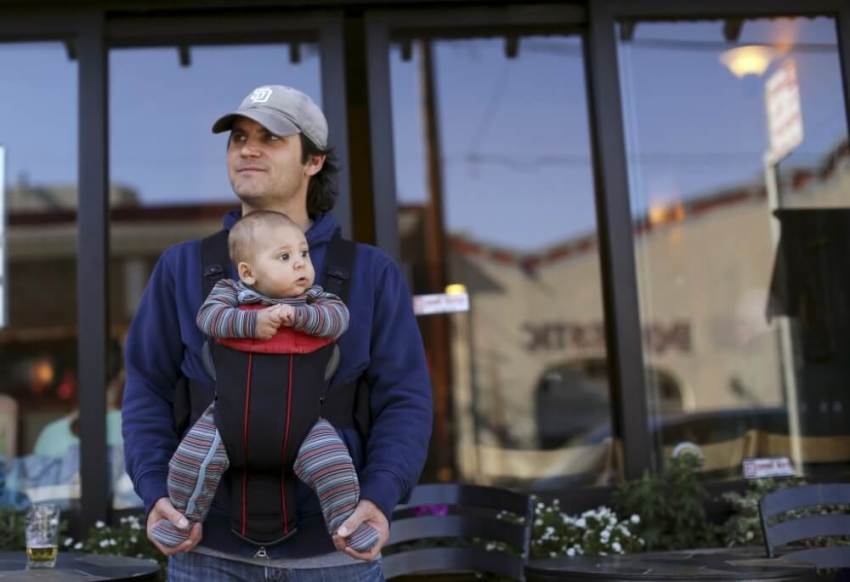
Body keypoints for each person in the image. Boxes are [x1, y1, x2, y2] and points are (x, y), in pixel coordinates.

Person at [122, 84, 433, 580]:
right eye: (239, 137)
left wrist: (379, 496)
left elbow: (404, 398)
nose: (247, 148)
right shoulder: (184, 267)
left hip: (336, 555)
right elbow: (147, 388)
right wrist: (157, 490)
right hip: (207, 554)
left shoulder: (369, 273)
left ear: (313, 161)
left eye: (271, 138)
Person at [150, 210, 378, 554]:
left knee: (336, 468)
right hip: (227, 422)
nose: (300, 264)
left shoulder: (317, 299)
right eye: (284, 257)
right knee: (191, 462)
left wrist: (301, 316)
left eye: (304, 253)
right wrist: (254, 325)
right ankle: (182, 519)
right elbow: (208, 319)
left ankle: (345, 524)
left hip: (305, 426)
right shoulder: (228, 294)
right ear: (248, 272)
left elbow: (338, 320)